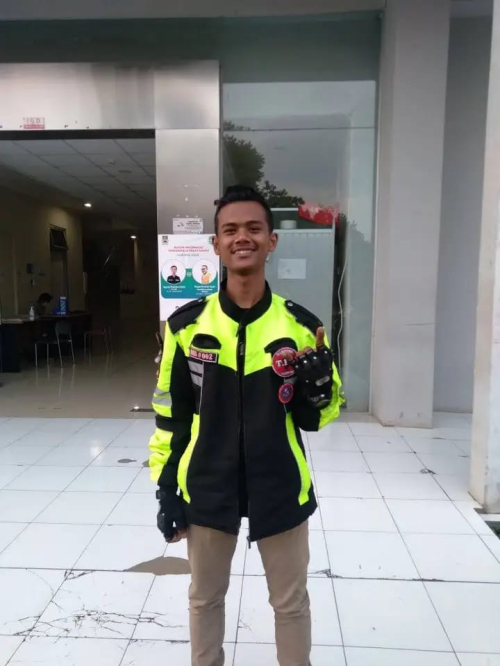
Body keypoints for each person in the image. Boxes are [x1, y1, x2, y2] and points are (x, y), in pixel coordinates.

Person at [149, 185, 343, 666]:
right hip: (206, 485)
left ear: (271, 241)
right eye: (230, 230)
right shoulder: (186, 327)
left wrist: (320, 391)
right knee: (204, 600)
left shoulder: (301, 328)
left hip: (280, 485)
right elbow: (170, 415)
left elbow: (316, 418)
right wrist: (166, 488)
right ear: (215, 244)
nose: (242, 238)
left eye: (254, 229)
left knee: (291, 604)